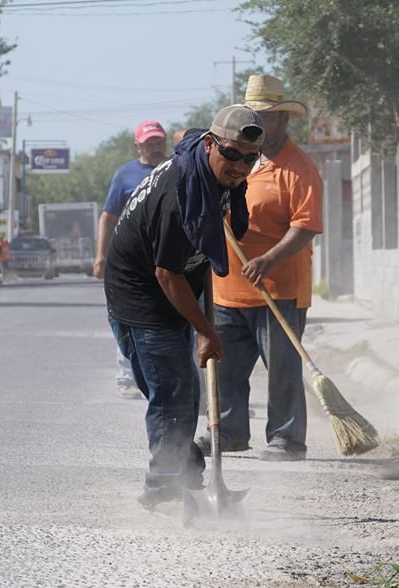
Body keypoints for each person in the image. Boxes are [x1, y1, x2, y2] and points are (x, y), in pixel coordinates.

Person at [104, 105, 265, 508]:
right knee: (173, 393)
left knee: (179, 392)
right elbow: (167, 275)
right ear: (211, 145)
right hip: (141, 294)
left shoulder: (206, 159)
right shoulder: (181, 197)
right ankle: (164, 489)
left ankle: (184, 475)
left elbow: (188, 133)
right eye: (232, 154)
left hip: (169, 286)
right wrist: (208, 333)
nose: (240, 166)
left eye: (251, 158)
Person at [199, 74, 323, 462]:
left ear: (283, 121)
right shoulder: (237, 158)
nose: (256, 123)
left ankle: (286, 439)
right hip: (227, 289)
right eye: (252, 114)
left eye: (265, 117)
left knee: (283, 371)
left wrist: (268, 259)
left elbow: (306, 227)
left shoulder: (298, 169)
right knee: (227, 367)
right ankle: (230, 431)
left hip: (279, 289)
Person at [94, 119, 169, 399]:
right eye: (149, 143)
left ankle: (172, 376)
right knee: (127, 315)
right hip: (130, 262)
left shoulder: (175, 169)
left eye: (159, 142)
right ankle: (127, 377)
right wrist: (101, 255)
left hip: (166, 258)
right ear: (137, 145)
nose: (155, 147)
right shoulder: (124, 175)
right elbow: (108, 217)